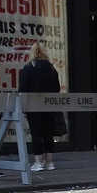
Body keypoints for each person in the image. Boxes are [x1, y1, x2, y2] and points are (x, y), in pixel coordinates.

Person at [18, 42, 62, 172]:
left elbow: (22, 89)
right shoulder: (51, 68)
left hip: (33, 106)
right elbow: (57, 88)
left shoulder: (28, 68)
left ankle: (38, 162)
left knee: (36, 133)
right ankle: (49, 162)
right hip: (49, 105)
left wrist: (23, 107)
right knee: (48, 133)